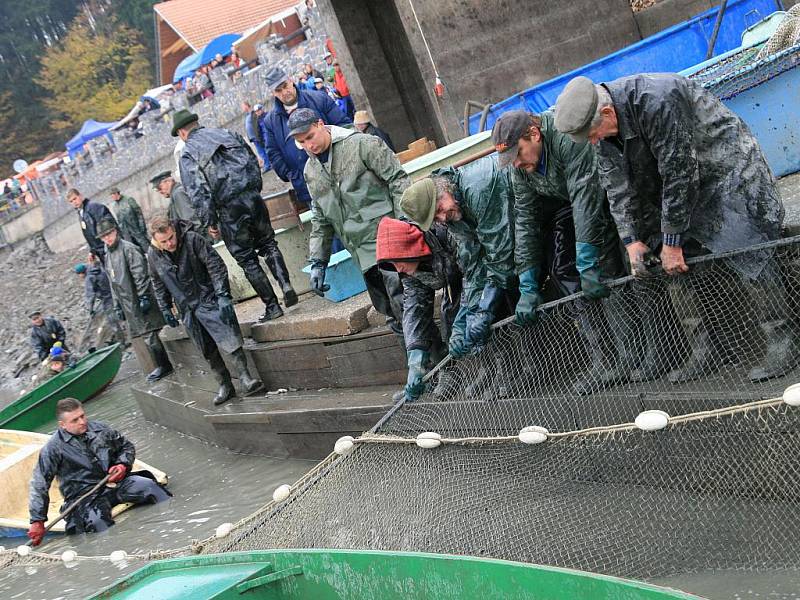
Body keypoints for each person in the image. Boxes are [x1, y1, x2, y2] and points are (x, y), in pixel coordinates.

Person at [553, 73, 791, 382]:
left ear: (608, 114)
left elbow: (680, 170)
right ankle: (708, 347)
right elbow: (616, 185)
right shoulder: (600, 127)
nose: (593, 142)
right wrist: (631, 239)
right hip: (672, 182)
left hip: (725, 168)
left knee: (747, 246)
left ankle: (782, 338)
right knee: (665, 260)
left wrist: (673, 241)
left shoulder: (657, 99)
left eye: (593, 135)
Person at [491, 109, 632, 394]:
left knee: (610, 272)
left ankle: (630, 359)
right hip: (573, 207)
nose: (516, 164)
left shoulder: (566, 137)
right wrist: (527, 281)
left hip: (612, 197)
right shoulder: (521, 171)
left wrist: (587, 255)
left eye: (518, 154)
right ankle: (605, 360)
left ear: (534, 134)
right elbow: (525, 220)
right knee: (564, 271)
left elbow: (586, 195)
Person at [291, 108, 410, 341]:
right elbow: (320, 217)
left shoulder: (363, 144)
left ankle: (431, 361)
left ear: (321, 124)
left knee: (406, 304)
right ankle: (421, 363)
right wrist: (318, 261)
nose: (308, 145)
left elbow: (398, 181)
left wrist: (404, 226)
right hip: (361, 253)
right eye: (301, 142)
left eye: (310, 136)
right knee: (388, 311)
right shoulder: (311, 171)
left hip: (388, 240)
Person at [174, 109, 297, 321]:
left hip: (228, 208)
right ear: (196, 122)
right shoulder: (226, 133)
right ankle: (285, 284)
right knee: (269, 244)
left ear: (182, 132)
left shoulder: (188, 153)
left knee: (247, 259)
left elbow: (198, 191)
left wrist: (209, 221)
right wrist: (255, 190)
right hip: (252, 197)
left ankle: (273, 306)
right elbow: (252, 159)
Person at [400, 156, 517, 357]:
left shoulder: (476, 190)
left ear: (444, 190)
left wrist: (483, 311)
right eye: (436, 218)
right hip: (516, 237)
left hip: (542, 214)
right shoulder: (454, 216)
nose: (443, 218)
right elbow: (472, 267)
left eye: (439, 210)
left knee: (513, 289)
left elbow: (500, 255)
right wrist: (463, 320)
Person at [147, 215, 264, 406]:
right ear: (155, 240)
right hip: (186, 307)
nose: (169, 243)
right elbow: (157, 282)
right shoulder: (153, 255)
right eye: (164, 241)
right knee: (206, 348)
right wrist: (165, 307)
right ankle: (224, 384)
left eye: (171, 238)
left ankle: (245, 377)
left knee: (229, 338)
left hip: (207, 297)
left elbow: (215, 265)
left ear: (174, 230)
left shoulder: (193, 239)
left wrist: (223, 294)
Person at [27, 398, 170, 545]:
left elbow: (126, 447)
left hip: (116, 483)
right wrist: (37, 520)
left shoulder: (100, 429)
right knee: (98, 522)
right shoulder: (53, 449)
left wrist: (122, 465)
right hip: (85, 497)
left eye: (82, 416)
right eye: (75, 420)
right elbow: (40, 484)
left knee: (151, 487)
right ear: (62, 425)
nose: (82, 422)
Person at [376, 217, 462, 401]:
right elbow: (415, 308)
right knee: (443, 319)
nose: (398, 269)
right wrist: (415, 360)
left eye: (398, 262)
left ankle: (499, 368)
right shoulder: (409, 269)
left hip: (472, 275)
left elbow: (474, 273)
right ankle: (444, 372)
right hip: (450, 278)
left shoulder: (444, 233)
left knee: (458, 315)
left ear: (410, 250)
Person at [96, 218, 174, 382]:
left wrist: (144, 295)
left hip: (138, 299)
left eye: (109, 234)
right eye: (104, 236)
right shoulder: (108, 255)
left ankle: (165, 365)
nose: (107, 238)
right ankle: (161, 364)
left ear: (115, 231)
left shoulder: (128, 249)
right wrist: (117, 305)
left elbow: (141, 274)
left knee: (151, 333)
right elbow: (113, 283)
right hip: (127, 303)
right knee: (146, 334)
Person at [261, 68, 351, 207]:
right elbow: (273, 153)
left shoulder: (319, 98)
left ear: (291, 80)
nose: (285, 92)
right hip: (308, 186)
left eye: (285, 86)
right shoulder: (270, 122)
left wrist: (342, 159)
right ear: (273, 93)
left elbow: (343, 126)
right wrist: (292, 175)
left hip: (342, 174)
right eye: (278, 90)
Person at [75, 258, 125, 345]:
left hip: (107, 299)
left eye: (79, 274)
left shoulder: (89, 278)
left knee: (112, 320)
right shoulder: (97, 267)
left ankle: (123, 342)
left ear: (81, 273)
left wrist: (90, 309)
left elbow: (90, 296)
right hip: (116, 291)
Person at [149, 170, 208, 239]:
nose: (160, 191)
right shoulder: (177, 193)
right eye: (157, 190)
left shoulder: (178, 194)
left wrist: (194, 243)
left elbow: (190, 221)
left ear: (168, 182)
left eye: (159, 188)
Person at [66, 188, 116, 263]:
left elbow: (109, 226)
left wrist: (110, 245)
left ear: (80, 196)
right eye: (71, 201)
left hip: (108, 248)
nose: (74, 202)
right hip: (100, 251)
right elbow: (89, 235)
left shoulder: (93, 207)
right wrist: (92, 251)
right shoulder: (81, 213)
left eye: (75, 198)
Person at [243, 101, 270, 170]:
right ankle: (267, 164)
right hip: (254, 138)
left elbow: (257, 126)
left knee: (263, 151)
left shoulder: (253, 114)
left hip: (257, 137)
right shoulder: (248, 115)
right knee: (261, 152)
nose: (243, 108)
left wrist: (258, 136)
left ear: (247, 105)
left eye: (243, 106)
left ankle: (268, 165)